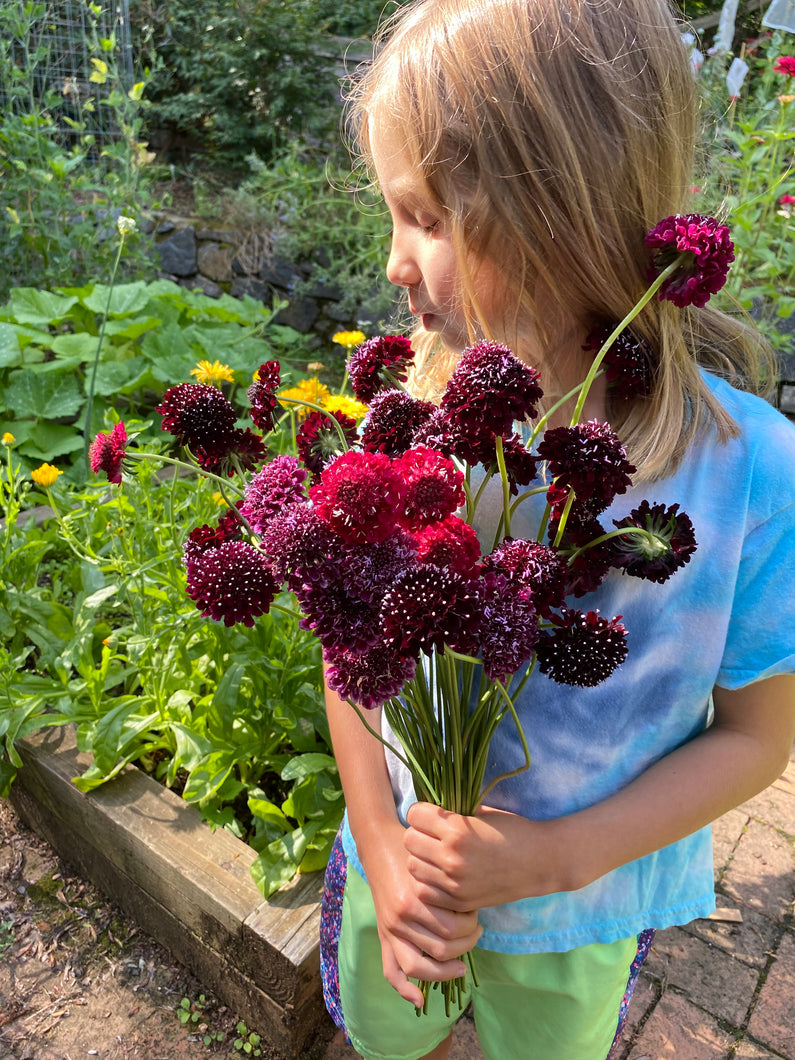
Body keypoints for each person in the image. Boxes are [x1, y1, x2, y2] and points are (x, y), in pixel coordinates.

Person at [318, 1, 795, 1058]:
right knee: (397, 1037)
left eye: (426, 219)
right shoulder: (409, 427)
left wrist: (557, 856)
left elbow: (761, 735)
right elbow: (345, 658)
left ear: (560, 213)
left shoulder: (749, 476)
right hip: (395, 878)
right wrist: (388, 854)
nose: (395, 262)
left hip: (575, 911)